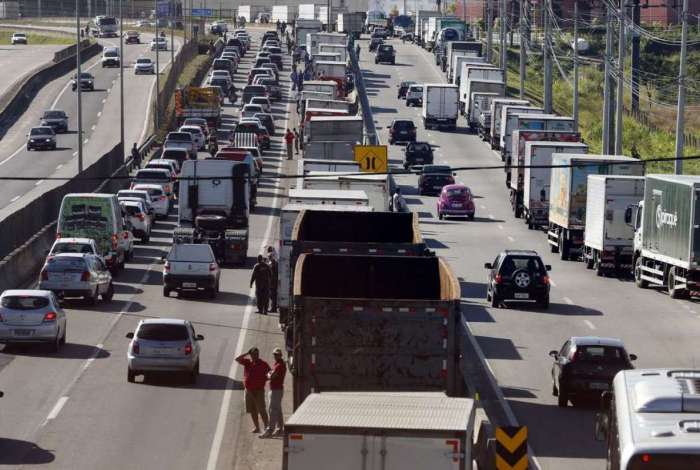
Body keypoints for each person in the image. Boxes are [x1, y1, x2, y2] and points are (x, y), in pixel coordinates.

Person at [235, 348, 271, 433]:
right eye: (254, 354)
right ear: (250, 355)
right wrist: (247, 353)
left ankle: (267, 427)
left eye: (257, 354)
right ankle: (257, 427)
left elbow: (270, 373)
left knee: (262, 409)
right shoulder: (248, 362)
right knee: (252, 410)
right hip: (249, 390)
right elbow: (237, 359)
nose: (256, 356)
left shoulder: (263, 364)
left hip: (259, 390)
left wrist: (266, 378)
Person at [259, 348, 286, 438]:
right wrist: (269, 374)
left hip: (276, 390)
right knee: (277, 410)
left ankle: (270, 430)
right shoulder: (277, 364)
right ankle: (279, 429)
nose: (275, 356)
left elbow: (271, 376)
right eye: (274, 354)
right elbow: (270, 373)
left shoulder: (279, 365)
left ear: (280, 355)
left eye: (277, 354)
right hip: (276, 390)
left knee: (272, 410)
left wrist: (269, 374)